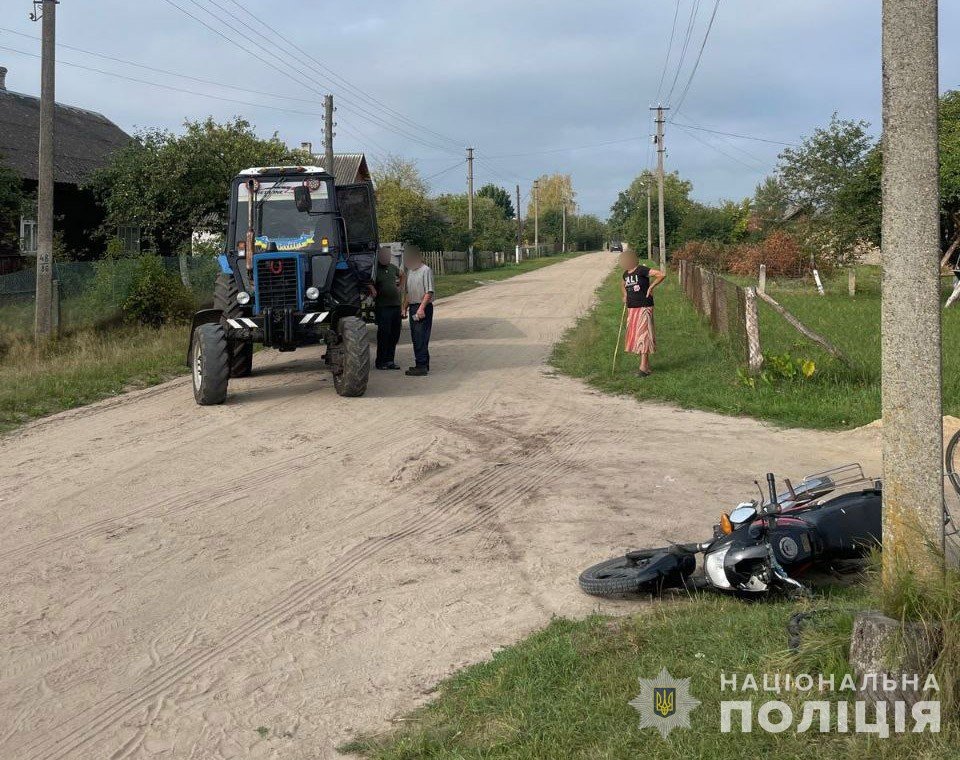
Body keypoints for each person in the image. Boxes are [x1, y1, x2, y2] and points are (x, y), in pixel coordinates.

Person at [620, 251, 665, 377]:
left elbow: (661, 274)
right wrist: (625, 295)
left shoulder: (641, 270)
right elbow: (622, 284)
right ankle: (646, 366)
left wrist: (651, 287)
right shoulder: (626, 273)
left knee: (644, 335)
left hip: (644, 306)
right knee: (637, 336)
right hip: (632, 308)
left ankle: (643, 368)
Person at [401, 249, 435, 376]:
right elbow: (409, 293)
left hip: (423, 307)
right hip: (413, 306)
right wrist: (404, 307)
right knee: (416, 337)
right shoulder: (410, 271)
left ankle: (421, 366)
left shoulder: (426, 270)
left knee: (421, 336)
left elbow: (429, 292)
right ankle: (423, 364)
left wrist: (421, 308)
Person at [371, 248, 405, 370]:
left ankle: (390, 360)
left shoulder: (392, 268)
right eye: (384, 256)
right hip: (383, 307)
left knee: (395, 334)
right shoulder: (375, 269)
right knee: (384, 334)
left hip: (396, 306)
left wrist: (400, 287)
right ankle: (380, 362)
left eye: (388, 256)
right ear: (379, 257)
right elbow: (367, 281)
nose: (386, 258)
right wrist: (372, 289)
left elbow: (402, 275)